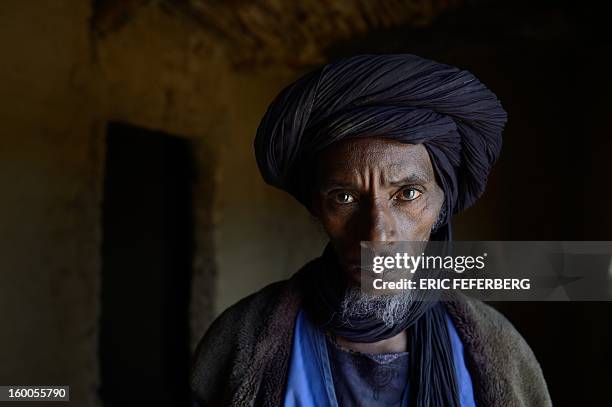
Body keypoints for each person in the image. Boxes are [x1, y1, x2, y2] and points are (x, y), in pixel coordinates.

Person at [191, 54, 551, 406]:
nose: (377, 236)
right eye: (345, 197)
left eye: (407, 194)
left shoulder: (497, 348)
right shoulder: (242, 339)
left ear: (442, 207)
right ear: (317, 207)